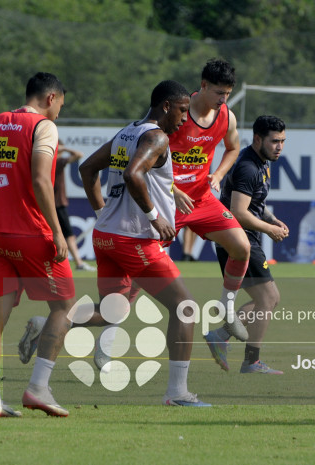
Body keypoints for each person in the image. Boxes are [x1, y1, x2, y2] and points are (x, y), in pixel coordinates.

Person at [78, 79, 210, 407]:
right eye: (182, 110)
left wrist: (102, 213)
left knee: (112, 311)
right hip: (136, 238)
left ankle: (50, 323)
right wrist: (155, 217)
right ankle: (177, 393)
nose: (185, 118)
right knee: (185, 308)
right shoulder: (157, 137)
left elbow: (87, 168)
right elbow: (133, 175)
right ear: (166, 106)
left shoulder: (127, 132)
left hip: (107, 236)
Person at [0, 72, 76, 418]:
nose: (58, 113)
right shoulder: (44, 127)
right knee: (65, 308)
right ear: (51, 98)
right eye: (60, 106)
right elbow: (42, 180)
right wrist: (57, 231)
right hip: (29, 232)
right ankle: (38, 388)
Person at [169, 58, 250, 341]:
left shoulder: (227, 116)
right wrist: (171, 188)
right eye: (218, 92)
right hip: (168, 200)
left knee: (241, 247)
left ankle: (227, 308)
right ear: (203, 85)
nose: (223, 99)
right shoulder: (176, 112)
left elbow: (233, 148)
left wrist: (218, 175)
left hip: (202, 199)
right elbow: (148, 155)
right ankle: (109, 334)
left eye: (227, 93)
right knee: (140, 275)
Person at [204, 115, 289, 374]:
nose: (279, 147)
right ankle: (251, 361)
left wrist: (272, 219)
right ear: (257, 139)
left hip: (241, 238)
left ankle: (220, 336)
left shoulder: (261, 162)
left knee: (267, 299)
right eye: (274, 141)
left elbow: (254, 204)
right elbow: (238, 212)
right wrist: (270, 229)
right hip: (239, 240)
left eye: (282, 141)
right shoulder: (248, 167)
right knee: (269, 298)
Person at [55, 141, 96, 271]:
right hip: (57, 204)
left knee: (61, 234)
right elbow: (79, 154)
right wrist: (64, 148)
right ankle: (79, 263)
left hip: (51, 204)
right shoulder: (57, 162)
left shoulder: (50, 162)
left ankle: (77, 263)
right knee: (69, 235)